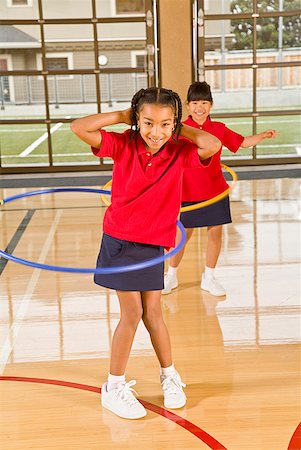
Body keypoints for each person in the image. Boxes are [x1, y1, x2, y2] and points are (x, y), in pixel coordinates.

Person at [71, 87, 221, 420]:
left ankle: (169, 375)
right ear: (137, 120)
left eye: (165, 124)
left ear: (175, 125)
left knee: (154, 312)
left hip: (154, 244)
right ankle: (113, 386)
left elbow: (211, 145)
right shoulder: (123, 143)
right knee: (133, 313)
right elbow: (80, 127)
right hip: (121, 240)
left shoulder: (179, 150)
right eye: (149, 123)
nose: (157, 132)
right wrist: (124, 117)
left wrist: (177, 128)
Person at [163, 81, 277, 296]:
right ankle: (171, 276)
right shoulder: (178, 129)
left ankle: (210, 277)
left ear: (211, 105)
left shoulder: (218, 129)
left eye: (204, 102)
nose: (199, 108)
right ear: (187, 106)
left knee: (215, 234)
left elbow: (241, 142)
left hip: (214, 191)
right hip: (187, 192)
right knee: (181, 236)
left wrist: (262, 135)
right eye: (195, 102)